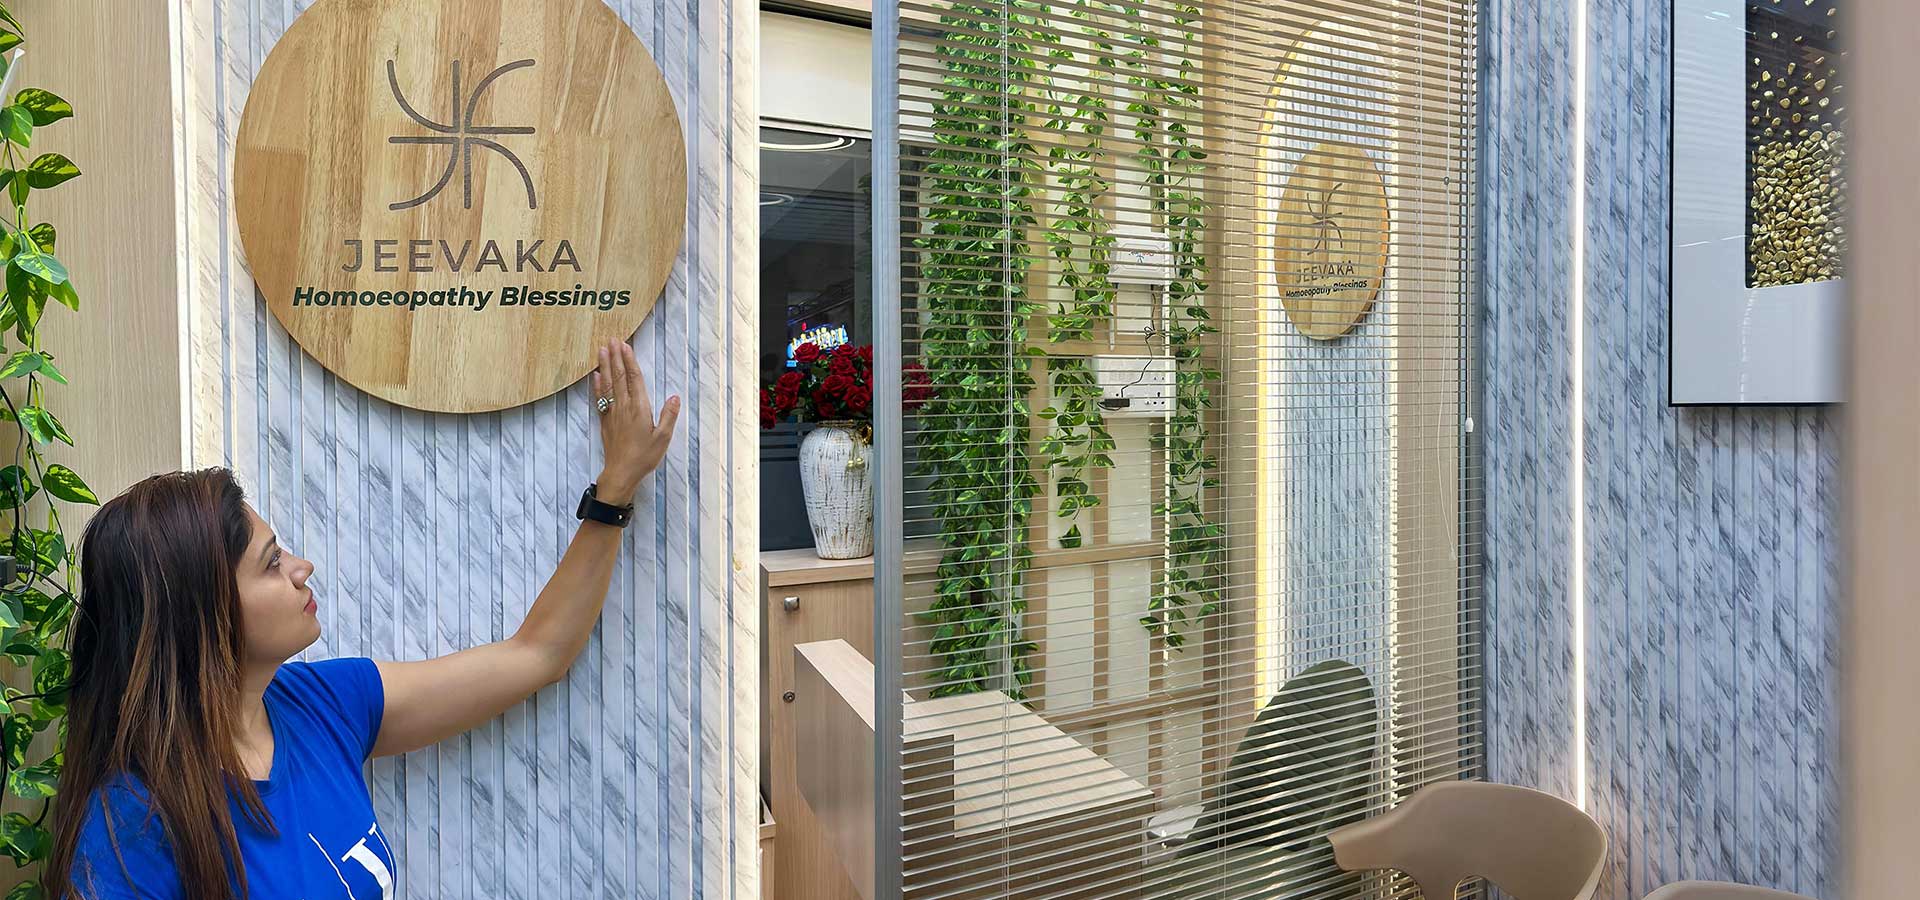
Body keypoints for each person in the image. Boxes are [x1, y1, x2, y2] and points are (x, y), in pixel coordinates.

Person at [45, 338, 680, 899]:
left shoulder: (323, 706)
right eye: (271, 563)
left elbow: (537, 654)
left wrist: (615, 488)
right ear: (204, 613)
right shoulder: (130, 828)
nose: (303, 568)